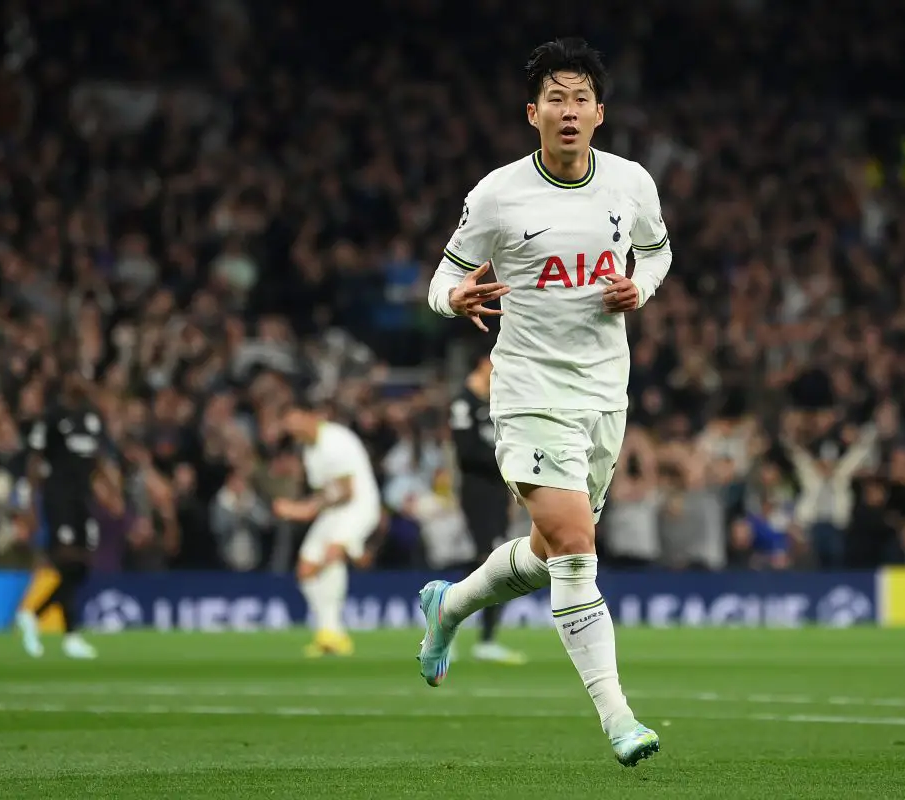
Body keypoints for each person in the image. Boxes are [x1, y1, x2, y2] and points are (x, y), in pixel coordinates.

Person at [420, 37, 671, 766]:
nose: (569, 110)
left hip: (604, 392)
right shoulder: (499, 195)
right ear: (533, 113)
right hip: (528, 388)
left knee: (548, 551)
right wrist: (453, 297)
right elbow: (443, 278)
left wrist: (641, 287)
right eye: (555, 98)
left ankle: (451, 605)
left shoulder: (630, 183)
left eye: (581, 97)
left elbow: (656, 251)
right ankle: (619, 718)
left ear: (600, 112)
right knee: (575, 546)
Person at [16, 367, 119, 659]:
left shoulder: (92, 417)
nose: (82, 381)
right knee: (67, 560)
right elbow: (34, 462)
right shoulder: (52, 417)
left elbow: (99, 458)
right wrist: (31, 506)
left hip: (83, 499)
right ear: (66, 380)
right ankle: (70, 635)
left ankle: (34, 614)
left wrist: (112, 491)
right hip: (58, 496)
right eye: (76, 375)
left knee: (82, 566)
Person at [275, 403, 381, 658]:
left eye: (296, 422)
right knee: (306, 570)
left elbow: (346, 491)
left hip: (359, 507)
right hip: (334, 511)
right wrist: (308, 507)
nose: (294, 430)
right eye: (289, 427)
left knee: (333, 551)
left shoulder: (335, 441)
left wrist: (302, 510)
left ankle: (332, 634)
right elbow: (326, 492)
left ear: (310, 416)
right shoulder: (310, 451)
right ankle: (329, 631)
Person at [450, 350, 527, 665]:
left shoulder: (495, 402)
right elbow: (465, 452)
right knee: (492, 562)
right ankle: (452, 625)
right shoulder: (463, 403)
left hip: (498, 490)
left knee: (491, 562)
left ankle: (477, 635)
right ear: (483, 363)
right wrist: (501, 458)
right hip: (477, 491)